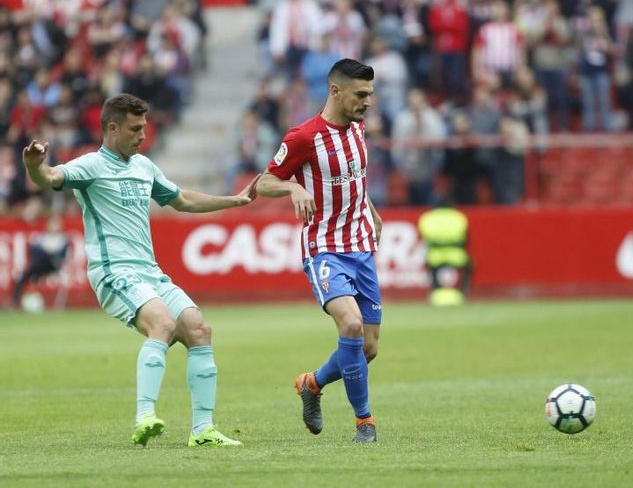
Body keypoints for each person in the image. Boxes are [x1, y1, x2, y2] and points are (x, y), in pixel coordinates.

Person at [22, 93, 257, 447]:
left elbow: (182, 200)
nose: (141, 135)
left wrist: (234, 200)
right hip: (113, 271)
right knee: (161, 323)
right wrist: (33, 166)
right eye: (134, 129)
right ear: (111, 129)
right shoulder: (89, 167)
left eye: (144, 128)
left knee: (198, 329)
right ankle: (144, 416)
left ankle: (203, 431)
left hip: (149, 273)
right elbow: (50, 177)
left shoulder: (144, 167)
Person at [255, 59, 383, 443]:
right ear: (335, 91)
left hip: (361, 245)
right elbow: (264, 182)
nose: (367, 102)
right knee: (352, 326)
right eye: (361, 95)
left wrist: (372, 212)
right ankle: (365, 423)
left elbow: (354, 181)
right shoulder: (303, 137)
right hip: (324, 248)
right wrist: (293, 188)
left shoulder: (359, 129)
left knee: (369, 349)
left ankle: (312, 383)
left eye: (370, 95)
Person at [10, 214, 69, 310]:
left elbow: (62, 256)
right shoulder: (42, 238)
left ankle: (35, 277)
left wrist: (47, 251)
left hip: (53, 265)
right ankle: (14, 302)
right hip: (39, 266)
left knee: (43, 253)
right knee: (22, 277)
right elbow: (33, 251)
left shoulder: (62, 239)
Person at [417, 201, 470, 307]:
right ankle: (462, 293)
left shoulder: (428, 217)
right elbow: (465, 239)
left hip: (435, 255)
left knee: (429, 263)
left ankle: (434, 292)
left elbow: (424, 238)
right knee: (468, 265)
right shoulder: (458, 216)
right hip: (456, 254)